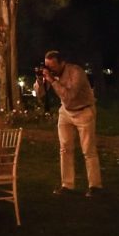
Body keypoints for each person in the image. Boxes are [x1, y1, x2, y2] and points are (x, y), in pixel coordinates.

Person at [35, 50, 102, 196]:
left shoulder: (76, 72)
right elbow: (40, 94)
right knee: (65, 148)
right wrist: (41, 81)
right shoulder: (51, 74)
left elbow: (69, 96)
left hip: (83, 110)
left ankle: (95, 186)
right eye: (47, 66)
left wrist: (52, 80)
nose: (49, 70)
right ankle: (67, 185)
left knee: (88, 150)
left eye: (52, 66)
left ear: (62, 63)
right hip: (66, 111)